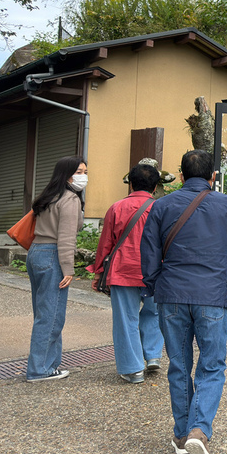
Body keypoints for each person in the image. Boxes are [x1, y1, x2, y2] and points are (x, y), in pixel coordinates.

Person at [140, 149, 227, 454]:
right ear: (213, 177)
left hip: (171, 294)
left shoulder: (161, 205)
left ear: (180, 176)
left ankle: (181, 433)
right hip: (211, 294)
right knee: (212, 365)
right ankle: (199, 431)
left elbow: (148, 251)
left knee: (178, 365)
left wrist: (153, 283)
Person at [90, 162, 164, 384]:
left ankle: (133, 369)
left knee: (126, 319)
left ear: (130, 184)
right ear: (155, 187)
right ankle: (152, 355)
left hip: (123, 269)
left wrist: (97, 273)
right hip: (155, 270)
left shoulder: (116, 208)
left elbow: (106, 244)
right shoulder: (162, 208)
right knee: (154, 313)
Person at [26, 155, 87, 382]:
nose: (84, 177)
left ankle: (50, 366)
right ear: (67, 175)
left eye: (84, 172)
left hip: (36, 253)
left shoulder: (49, 196)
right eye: (79, 172)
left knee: (44, 313)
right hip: (53, 255)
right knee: (51, 317)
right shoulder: (69, 199)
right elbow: (66, 238)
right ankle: (39, 370)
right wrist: (69, 269)